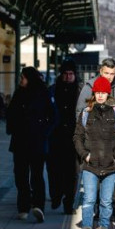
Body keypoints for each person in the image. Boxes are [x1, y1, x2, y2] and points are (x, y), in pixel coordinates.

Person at [74, 77, 115, 229]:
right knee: (89, 200)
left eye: (103, 92)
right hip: (90, 165)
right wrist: (85, 155)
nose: (100, 96)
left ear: (108, 93)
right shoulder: (86, 113)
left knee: (106, 201)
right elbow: (77, 136)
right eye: (97, 92)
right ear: (94, 93)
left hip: (110, 165)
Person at [76, 57, 115, 221]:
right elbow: (80, 110)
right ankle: (97, 205)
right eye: (106, 73)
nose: (109, 76)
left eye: (112, 73)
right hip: (94, 140)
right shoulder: (90, 86)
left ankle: (113, 204)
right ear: (100, 71)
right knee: (93, 174)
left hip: (114, 139)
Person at [6, 66, 55, 223]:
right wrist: (11, 128)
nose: (21, 80)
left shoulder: (43, 93)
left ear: (30, 78)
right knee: (20, 175)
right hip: (20, 141)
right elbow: (11, 113)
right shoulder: (18, 94)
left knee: (37, 175)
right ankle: (23, 206)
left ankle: (38, 206)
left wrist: (44, 132)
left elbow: (54, 116)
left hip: (37, 141)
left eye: (23, 77)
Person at [48, 60, 80, 214]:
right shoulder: (53, 90)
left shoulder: (80, 92)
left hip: (74, 138)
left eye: (71, 74)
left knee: (71, 173)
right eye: (65, 74)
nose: (68, 77)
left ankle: (69, 203)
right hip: (55, 136)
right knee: (54, 170)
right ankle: (56, 196)